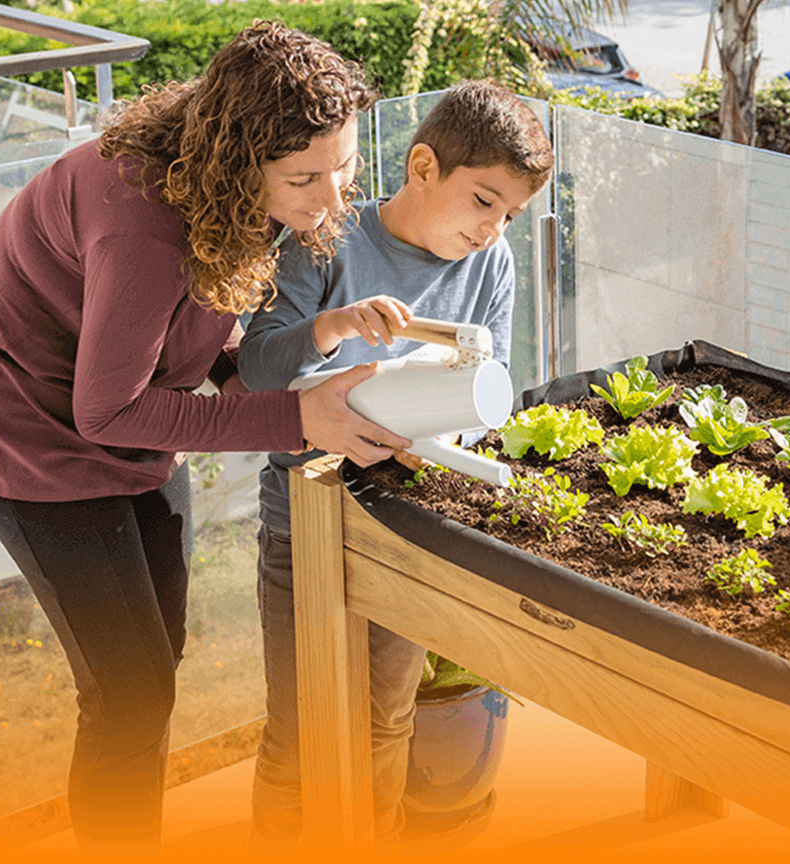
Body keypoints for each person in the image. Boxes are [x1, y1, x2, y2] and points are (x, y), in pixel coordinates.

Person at [0, 22, 410, 853]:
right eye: (305, 179)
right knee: (129, 690)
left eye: (348, 167)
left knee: (156, 660)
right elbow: (105, 415)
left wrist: (313, 342)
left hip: (119, 407)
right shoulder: (142, 224)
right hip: (25, 426)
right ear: (240, 158)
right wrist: (297, 416)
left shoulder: (225, 177)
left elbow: (201, 343)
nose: (334, 201)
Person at [234, 79, 554, 850]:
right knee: (302, 731)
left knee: (386, 719)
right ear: (421, 166)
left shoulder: (494, 262)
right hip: (306, 525)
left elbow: (491, 385)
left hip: (409, 531)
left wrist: (448, 438)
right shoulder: (327, 240)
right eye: (483, 201)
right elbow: (256, 369)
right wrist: (336, 325)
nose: (492, 229)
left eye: (509, 213)